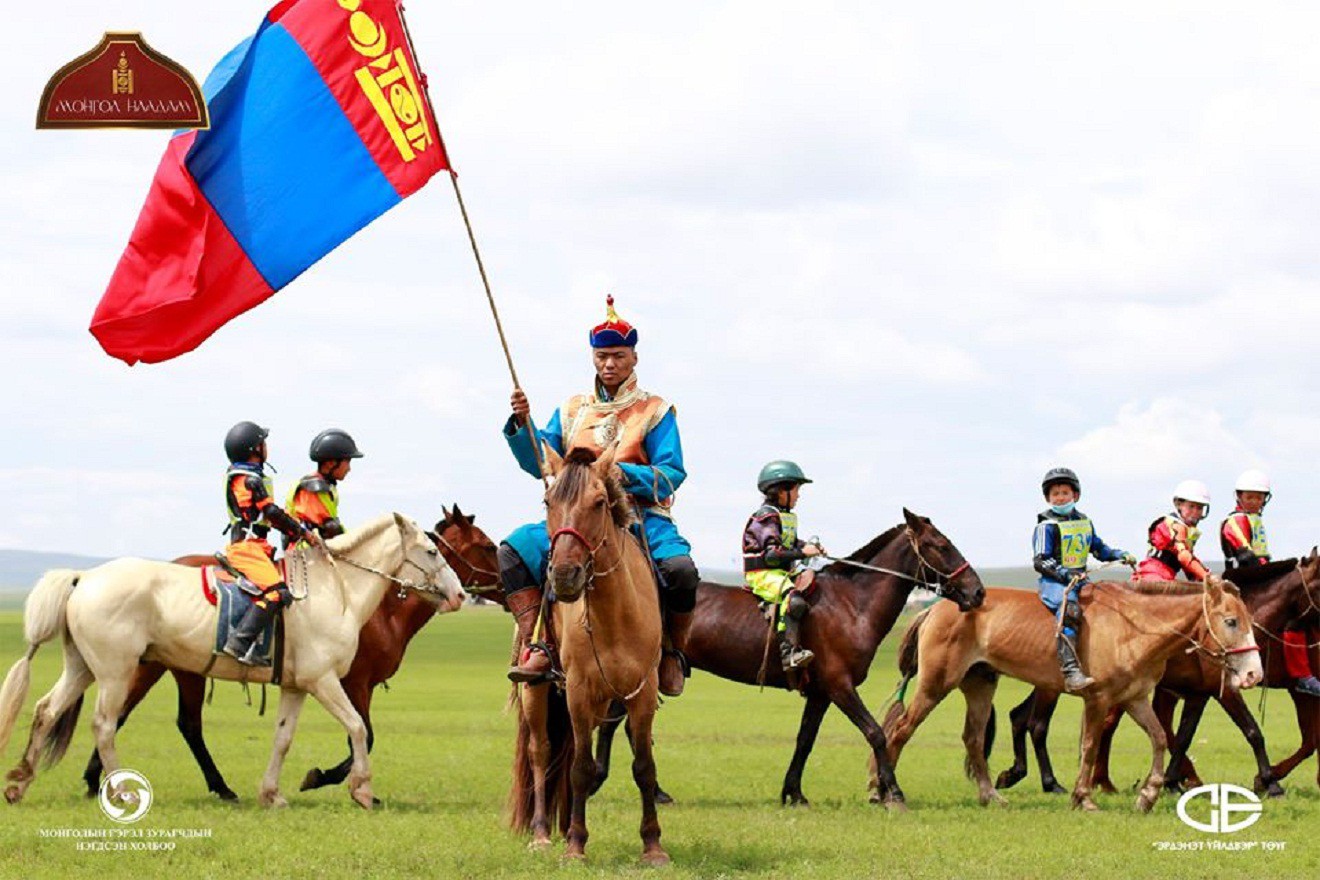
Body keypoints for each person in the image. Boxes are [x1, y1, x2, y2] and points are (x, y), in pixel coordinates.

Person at [500, 296, 701, 696]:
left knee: (681, 571)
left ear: (634, 359)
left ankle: (672, 653)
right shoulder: (574, 409)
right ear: (594, 358)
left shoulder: (656, 411)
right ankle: (536, 643)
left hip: (641, 518)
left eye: (618, 357)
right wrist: (524, 425)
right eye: (602, 356)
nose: (609, 364)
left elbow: (671, 473)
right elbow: (541, 461)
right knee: (513, 551)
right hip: (576, 518)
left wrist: (617, 473)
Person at [220, 421, 318, 665]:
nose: (267, 447)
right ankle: (240, 643)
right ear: (255, 449)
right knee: (277, 592)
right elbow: (271, 513)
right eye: (264, 443)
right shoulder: (249, 480)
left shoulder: (249, 476)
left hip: (257, 547)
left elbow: (270, 516)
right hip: (247, 548)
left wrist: (293, 528)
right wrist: (300, 532)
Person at [1032, 467, 1137, 692]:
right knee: (1069, 609)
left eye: (1064, 493)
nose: (1060, 498)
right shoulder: (1046, 525)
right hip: (1055, 581)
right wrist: (1065, 574)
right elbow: (1040, 560)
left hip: (1079, 578)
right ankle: (1071, 671)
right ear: (1048, 498)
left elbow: (1098, 548)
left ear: (1075, 496)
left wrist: (1119, 555)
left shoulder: (1084, 522)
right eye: (1055, 494)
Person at [1221, 470, 1320, 696]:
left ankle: (1301, 674)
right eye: (1250, 497)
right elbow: (1246, 556)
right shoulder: (1235, 521)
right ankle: (1299, 674)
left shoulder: (1255, 521)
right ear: (1239, 497)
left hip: (1259, 578)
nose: (1255, 501)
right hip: (1242, 582)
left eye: (1259, 497)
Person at [743, 461, 822, 671]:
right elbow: (771, 555)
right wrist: (802, 553)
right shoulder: (765, 516)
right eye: (796, 489)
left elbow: (789, 543)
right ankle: (789, 653)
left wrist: (808, 546)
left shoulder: (786, 517)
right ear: (781, 490)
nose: (798, 495)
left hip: (782, 572)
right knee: (794, 601)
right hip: (763, 573)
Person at [286, 428, 364, 544]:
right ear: (331, 463)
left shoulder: (323, 485)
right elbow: (330, 528)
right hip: (306, 552)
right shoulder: (314, 487)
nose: (349, 469)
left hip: (316, 549)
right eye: (347, 462)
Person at [1133, 480, 1212, 583]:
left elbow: (1189, 563)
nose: (1195, 512)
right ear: (1178, 504)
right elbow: (1184, 557)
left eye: (1199, 508)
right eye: (1191, 506)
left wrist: (1202, 574)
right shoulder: (1176, 526)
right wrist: (1206, 576)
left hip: (1160, 574)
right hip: (1155, 576)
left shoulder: (1185, 530)